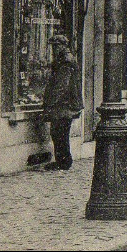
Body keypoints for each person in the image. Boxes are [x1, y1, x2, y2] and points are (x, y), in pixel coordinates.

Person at [42, 34, 83, 171]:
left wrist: (51, 103)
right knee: (60, 132)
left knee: (59, 132)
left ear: (61, 46)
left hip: (64, 104)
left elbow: (62, 85)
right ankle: (63, 160)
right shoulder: (65, 59)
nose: (53, 49)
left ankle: (63, 161)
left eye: (55, 46)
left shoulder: (65, 61)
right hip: (65, 103)